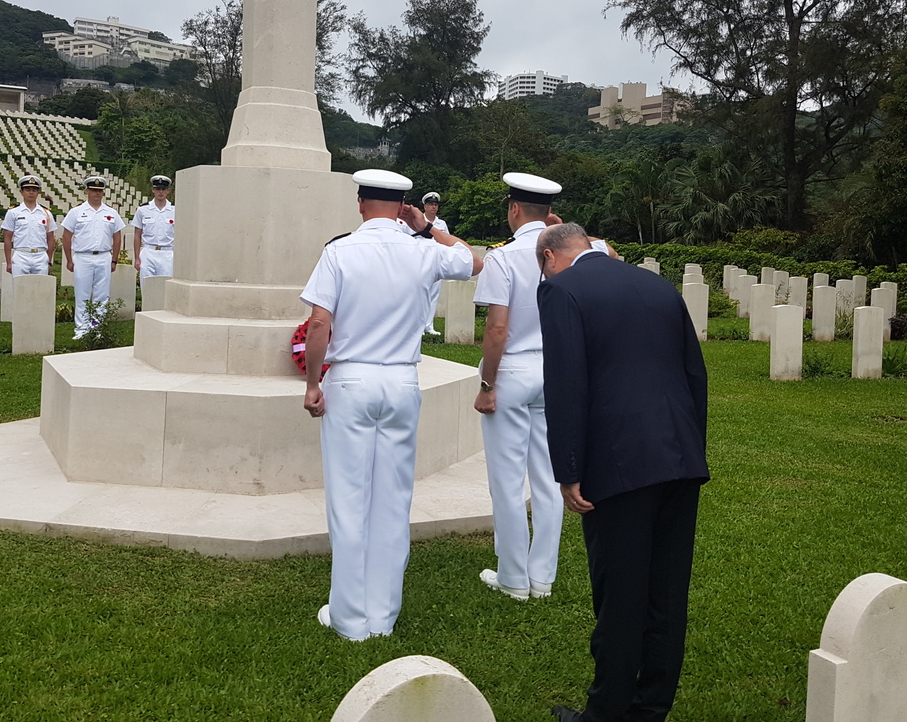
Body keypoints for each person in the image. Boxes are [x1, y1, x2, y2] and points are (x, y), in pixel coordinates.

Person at [536, 223, 709, 722]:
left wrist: (568, 469)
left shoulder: (561, 290)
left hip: (618, 462)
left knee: (620, 596)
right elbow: (694, 373)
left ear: (550, 257)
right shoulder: (656, 284)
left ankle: (605, 715)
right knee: (666, 593)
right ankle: (650, 708)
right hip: (678, 457)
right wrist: (690, 450)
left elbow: (566, 384)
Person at [301, 169, 483, 642]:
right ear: (403, 206)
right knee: (392, 499)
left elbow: (319, 324)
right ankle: (382, 615)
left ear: (361, 203)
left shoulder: (340, 250)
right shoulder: (424, 250)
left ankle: (348, 616)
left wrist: (312, 384)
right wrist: (426, 228)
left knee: (349, 499)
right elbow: (471, 260)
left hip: (352, 379)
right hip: (402, 381)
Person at [472, 172, 564, 602]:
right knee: (546, 477)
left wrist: (487, 383)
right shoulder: (565, 253)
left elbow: (497, 328)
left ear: (513, 209)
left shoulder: (503, 258)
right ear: (548, 212)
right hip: (553, 370)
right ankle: (542, 576)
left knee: (507, 480)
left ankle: (513, 578)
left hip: (511, 371)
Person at [61, 175, 123, 339]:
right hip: (83, 257)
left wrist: (114, 259)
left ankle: (96, 328)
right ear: (86, 191)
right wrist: (69, 259)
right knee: (82, 294)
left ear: (103, 192)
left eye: (100, 191)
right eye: (93, 190)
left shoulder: (111, 213)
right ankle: (81, 329)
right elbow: (66, 236)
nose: (97, 193)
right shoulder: (76, 212)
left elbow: (117, 237)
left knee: (101, 296)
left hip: (103, 256)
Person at [1, 175, 55, 276]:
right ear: (21, 192)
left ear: (38, 192)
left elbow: (50, 238)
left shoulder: (46, 213)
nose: (31, 192)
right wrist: (8, 261)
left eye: (34, 190)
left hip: (41, 255)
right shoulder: (13, 212)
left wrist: (49, 260)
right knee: (19, 289)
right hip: (21, 255)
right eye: (27, 189)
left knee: (40, 289)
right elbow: (7, 238)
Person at [417, 191, 449, 335]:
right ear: (425, 206)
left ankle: (429, 326)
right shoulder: (418, 221)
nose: (433, 207)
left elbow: (446, 240)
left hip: (436, 262)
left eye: (435, 204)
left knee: (433, 295)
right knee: (420, 295)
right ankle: (419, 325)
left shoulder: (441, 224)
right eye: (430, 204)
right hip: (421, 263)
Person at [132, 174, 175, 280]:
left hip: (168, 253)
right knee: (146, 286)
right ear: (153, 190)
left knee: (166, 287)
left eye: (163, 189)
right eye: (158, 189)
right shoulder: (143, 209)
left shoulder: (175, 210)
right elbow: (137, 235)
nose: (161, 192)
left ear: (168, 191)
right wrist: (137, 258)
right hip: (148, 252)